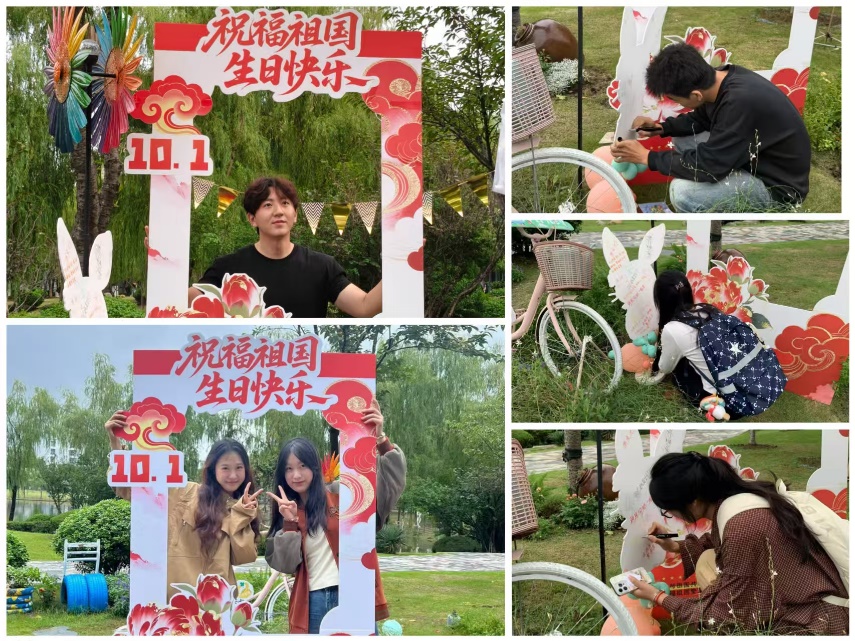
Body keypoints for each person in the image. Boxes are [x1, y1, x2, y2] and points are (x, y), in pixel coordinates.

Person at [628, 452, 848, 635]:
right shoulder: (739, 497)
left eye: (668, 511)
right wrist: (675, 546)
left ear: (693, 502)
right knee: (707, 560)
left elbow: (725, 617)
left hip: (815, 622)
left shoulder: (742, 527)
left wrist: (657, 596)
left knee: (717, 584)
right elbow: (717, 541)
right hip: (811, 598)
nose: (671, 515)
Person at [610, 43, 811, 213]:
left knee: (683, 193)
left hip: (775, 188)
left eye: (675, 99)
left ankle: (718, 222)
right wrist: (661, 128)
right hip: (751, 158)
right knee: (683, 138)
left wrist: (647, 157)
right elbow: (701, 119)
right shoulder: (720, 78)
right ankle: (726, 183)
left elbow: (710, 166)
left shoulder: (739, 102)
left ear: (696, 95)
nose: (675, 102)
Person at [145, 176, 382, 318]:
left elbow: (364, 307)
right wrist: (161, 259)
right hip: (246, 376)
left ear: (295, 215)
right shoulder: (228, 268)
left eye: (285, 203)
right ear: (252, 219)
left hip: (303, 374)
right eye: (267, 205)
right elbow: (177, 303)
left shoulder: (322, 267)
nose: (278, 211)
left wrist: (398, 262)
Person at [264, 401, 406, 634]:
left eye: (302, 465)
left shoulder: (342, 493)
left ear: (314, 467)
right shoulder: (286, 510)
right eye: (288, 469)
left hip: (355, 594)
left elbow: (390, 488)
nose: (296, 475)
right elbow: (286, 565)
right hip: (314, 601)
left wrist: (380, 439)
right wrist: (290, 522)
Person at [105, 411, 262, 598]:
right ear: (212, 469)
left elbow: (244, 557)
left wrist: (241, 515)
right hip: (176, 598)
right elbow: (132, 490)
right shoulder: (185, 492)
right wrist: (116, 445)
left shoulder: (244, 506)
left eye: (239, 468)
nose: (233, 475)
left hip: (217, 603)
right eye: (225, 468)